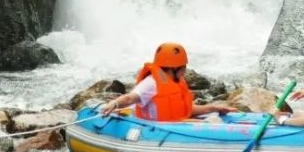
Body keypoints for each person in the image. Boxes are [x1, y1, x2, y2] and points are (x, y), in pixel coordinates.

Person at [99, 42, 235, 121]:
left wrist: (213, 108)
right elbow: (130, 98)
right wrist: (114, 103)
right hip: (155, 129)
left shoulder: (175, 81)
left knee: (214, 117)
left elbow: (185, 111)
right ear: (173, 68)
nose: (185, 71)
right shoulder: (151, 83)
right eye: (183, 67)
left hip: (176, 125)